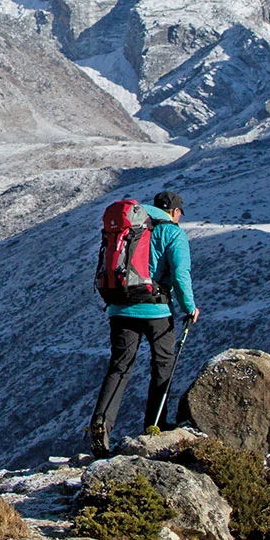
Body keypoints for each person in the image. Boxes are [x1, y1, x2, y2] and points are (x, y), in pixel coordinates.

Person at [88, 190, 197, 456]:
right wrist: (190, 307)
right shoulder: (173, 232)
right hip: (157, 310)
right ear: (175, 212)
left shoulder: (131, 226)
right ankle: (155, 423)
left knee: (120, 367)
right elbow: (181, 274)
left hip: (120, 307)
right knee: (162, 365)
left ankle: (100, 427)